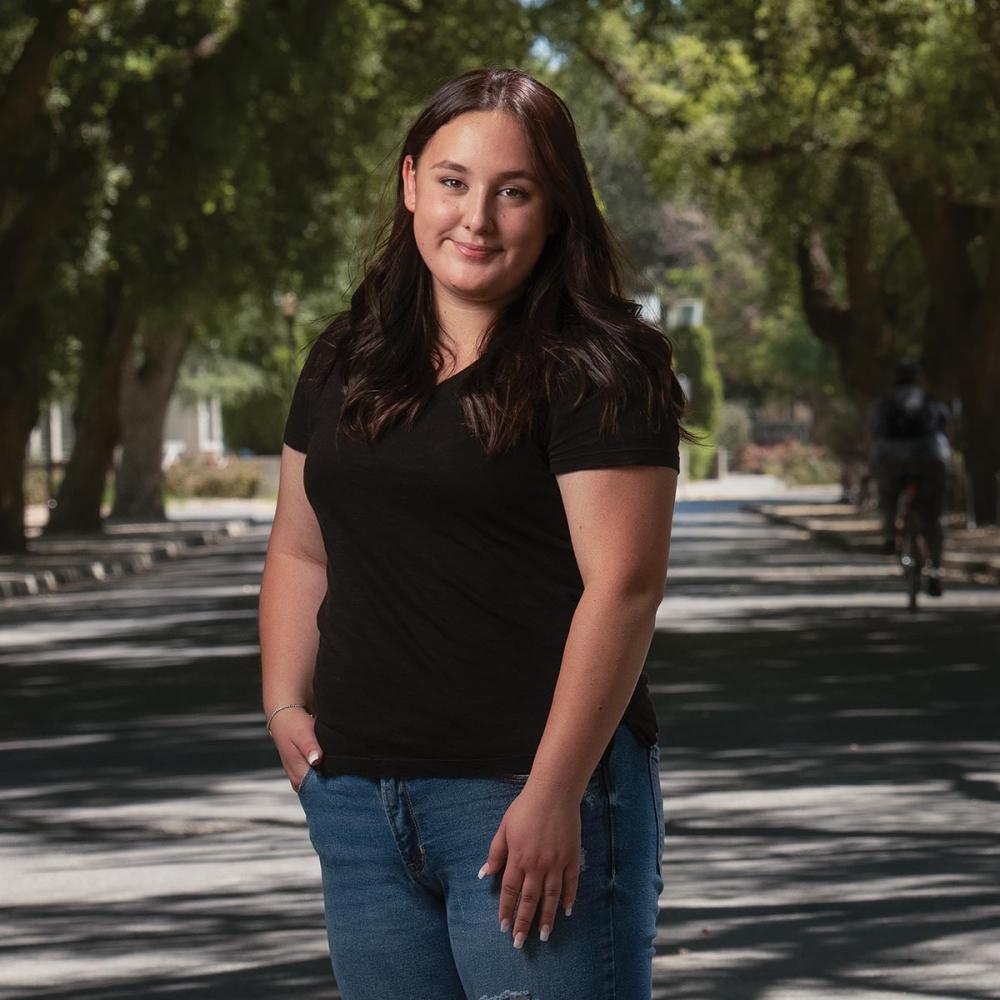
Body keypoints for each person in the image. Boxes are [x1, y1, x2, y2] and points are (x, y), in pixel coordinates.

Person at [258, 67, 689, 999]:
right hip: (363, 806)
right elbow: (300, 546)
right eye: (454, 182)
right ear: (411, 183)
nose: (478, 218)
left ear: (555, 208)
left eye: (515, 191)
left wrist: (555, 792)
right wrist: (286, 705)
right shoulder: (346, 358)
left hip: (525, 801)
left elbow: (625, 587)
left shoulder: (601, 365)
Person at [870, 360, 951, 596]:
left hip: (891, 458)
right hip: (930, 457)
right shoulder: (932, 401)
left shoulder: (883, 404)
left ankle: (888, 535)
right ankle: (935, 568)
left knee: (886, 496)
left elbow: (873, 435)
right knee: (934, 516)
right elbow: (947, 431)